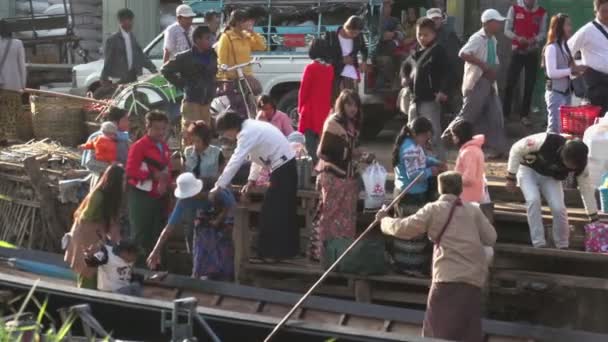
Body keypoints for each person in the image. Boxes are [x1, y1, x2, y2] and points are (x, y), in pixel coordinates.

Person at [376, 171, 497, 342]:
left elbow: (404, 228)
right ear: (460, 189)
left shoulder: (434, 209)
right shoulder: (473, 210)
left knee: (436, 331)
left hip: (447, 278)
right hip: (473, 278)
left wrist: (384, 220)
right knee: (468, 332)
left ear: (440, 189)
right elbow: (491, 237)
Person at [211, 111, 299, 262]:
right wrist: (251, 180)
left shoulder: (246, 133)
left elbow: (236, 160)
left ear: (231, 128)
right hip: (284, 166)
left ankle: (271, 254)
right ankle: (282, 253)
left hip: (283, 167)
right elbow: (256, 158)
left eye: (224, 133)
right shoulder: (251, 128)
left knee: (272, 211)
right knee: (281, 210)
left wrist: (219, 185)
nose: (225, 137)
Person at [506, 133, 599, 249]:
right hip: (527, 169)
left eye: (573, 167)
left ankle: (563, 244)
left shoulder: (582, 165)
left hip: (550, 176)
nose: (570, 168)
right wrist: (511, 176)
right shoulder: (545, 141)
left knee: (559, 207)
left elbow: (586, 189)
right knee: (533, 200)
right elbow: (516, 149)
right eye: (569, 164)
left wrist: (593, 215)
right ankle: (538, 242)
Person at [442, 9, 508, 159]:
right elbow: (463, 53)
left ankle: (497, 148)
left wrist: (494, 69)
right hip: (477, 82)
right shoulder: (477, 38)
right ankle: (444, 139)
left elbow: (494, 59)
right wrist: (483, 65)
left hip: (490, 82)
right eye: (496, 22)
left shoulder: (493, 39)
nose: (499, 25)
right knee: (467, 115)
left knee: (495, 115)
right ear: (488, 23)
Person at [148, 173, 236, 280]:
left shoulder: (215, 191)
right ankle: (200, 273)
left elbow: (230, 206)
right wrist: (155, 251)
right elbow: (169, 227)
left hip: (226, 213)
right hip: (207, 216)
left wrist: (219, 219)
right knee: (201, 234)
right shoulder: (183, 201)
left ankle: (224, 276)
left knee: (223, 242)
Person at [310, 90, 362, 261]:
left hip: (348, 178)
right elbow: (324, 151)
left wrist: (357, 155)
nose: (353, 108)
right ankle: (323, 255)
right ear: (342, 105)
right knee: (329, 216)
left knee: (347, 218)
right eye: (349, 104)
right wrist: (352, 152)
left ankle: (341, 256)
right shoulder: (333, 122)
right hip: (332, 176)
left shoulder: (352, 123)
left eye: (355, 105)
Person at [390, 117, 445, 276]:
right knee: (412, 231)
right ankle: (410, 268)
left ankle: (405, 265)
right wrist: (432, 172)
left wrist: (434, 162)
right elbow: (415, 174)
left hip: (405, 192)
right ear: (419, 134)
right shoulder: (411, 148)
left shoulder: (412, 144)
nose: (427, 140)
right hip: (411, 194)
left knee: (405, 230)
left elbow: (422, 159)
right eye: (426, 137)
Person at [64, 164, 125, 289]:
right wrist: (94, 241)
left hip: (96, 240)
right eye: (123, 180)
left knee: (94, 275)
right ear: (115, 181)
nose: (125, 183)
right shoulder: (98, 196)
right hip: (87, 239)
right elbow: (85, 219)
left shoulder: (111, 198)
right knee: (87, 272)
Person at [126, 111, 172, 263]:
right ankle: (137, 267)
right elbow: (131, 171)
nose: (161, 132)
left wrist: (166, 182)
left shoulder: (164, 147)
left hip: (159, 196)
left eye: (163, 129)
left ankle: (156, 266)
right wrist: (154, 177)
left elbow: (168, 169)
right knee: (141, 232)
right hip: (141, 195)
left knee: (157, 232)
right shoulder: (139, 146)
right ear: (148, 128)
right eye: (157, 128)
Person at [403, 17, 450, 160]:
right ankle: (415, 161)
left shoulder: (438, 51)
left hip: (430, 99)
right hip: (414, 99)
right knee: (412, 131)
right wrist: (404, 77)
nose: (422, 38)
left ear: (434, 34)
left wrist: (443, 91)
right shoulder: (414, 52)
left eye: (426, 34)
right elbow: (405, 67)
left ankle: (439, 162)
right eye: (419, 35)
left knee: (433, 132)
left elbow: (448, 73)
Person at [162, 25, 218, 138]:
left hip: (206, 101)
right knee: (190, 135)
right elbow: (165, 70)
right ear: (197, 40)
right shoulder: (185, 57)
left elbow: (213, 74)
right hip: (192, 101)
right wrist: (182, 84)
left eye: (210, 38)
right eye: (207, 38)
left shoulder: (212, 55)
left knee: (205, 136)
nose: (210, 41)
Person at [503, 0, 548, 125]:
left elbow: (543, 33)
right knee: (510, 83)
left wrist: (534, 39)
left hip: (532, 52)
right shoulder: (514, 9)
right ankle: (505, 114)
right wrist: (517, 38)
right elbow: (507, 30)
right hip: (517, 51)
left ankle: (524, 115)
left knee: (530, 85)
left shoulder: (542, 12)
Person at [216, 9, 266, 117]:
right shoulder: (226, 37)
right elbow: (221, 60)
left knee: (252, 106)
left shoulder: (246, 36)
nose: (249, 23)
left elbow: (262, 46)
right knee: (237, 109)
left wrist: (252, 32)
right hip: (233, 79)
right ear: (238, 22)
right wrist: (223, 79)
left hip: (247, 78)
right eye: (246, 21)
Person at [543, 14, 585, 134]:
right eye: (567, 25)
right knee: (554, 128)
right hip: (555, 93)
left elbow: (569, 68)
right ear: (559, 27)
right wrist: (571, 71)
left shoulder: (565, 47)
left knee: (564, 129)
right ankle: (549, 152)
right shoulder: (551, 48)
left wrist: (580, 69)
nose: (570, 28)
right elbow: (552, 73)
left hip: (566, 93)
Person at [568, 0, 608, 116]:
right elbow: (567, 50)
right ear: (596, 11)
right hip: (596, 82)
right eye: (604, 11)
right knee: (599, 119)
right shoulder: (587, 30)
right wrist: (574, 66)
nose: (607, 15)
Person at [298, 38, 334, 165]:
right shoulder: (330, 69)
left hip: (310, 109)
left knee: (310, 143)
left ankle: (313, 167)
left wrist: (299, 108)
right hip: (324, 109)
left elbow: (303, 90)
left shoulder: (311, 67)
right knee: (322, 141)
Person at [100, 9, 157, 86]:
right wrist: (104, 77)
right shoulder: (113, 40)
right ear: (121, 21)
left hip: (133, 77)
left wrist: (153, 69)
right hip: (119, 79)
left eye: (131, 20)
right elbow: (108, 60)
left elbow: (141, 56)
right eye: (128, 20)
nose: (131, 23)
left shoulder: (132, 37)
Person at [82, 107, 130, 188]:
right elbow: (90, 162)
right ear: (115, 122)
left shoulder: (124, 138)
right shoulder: (98, 137)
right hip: (102, 184)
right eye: (125, 120)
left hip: (121, 184)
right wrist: (112, 166)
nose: (128, 123)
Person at [326, 16, 368, 96]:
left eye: (357, 33)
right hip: (335, 73)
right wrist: (342, 60)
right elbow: (325, 55)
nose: (354, 35)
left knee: (352, 100)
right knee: (337, 101)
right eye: (352, 32)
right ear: (346, 27)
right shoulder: (331, 36)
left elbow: (364, 49)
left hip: (351, 75)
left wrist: (364, 61)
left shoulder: (359, 37)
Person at [0, 19, 26, 144]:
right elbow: (21, 65)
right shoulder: (17, 43)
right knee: (12, 112)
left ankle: (2, 138)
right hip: (13, 85)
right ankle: (11, 138)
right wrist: (23, 85)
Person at [451, 121, 487, 203]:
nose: (453, 138)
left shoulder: (469, 152)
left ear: (460, 136)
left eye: (454, 135)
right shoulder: (474, 149)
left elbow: (469, 179)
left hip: (468, 197)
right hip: (474, 194)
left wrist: (452, 180)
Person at [375, 0, 405, 90]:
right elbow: (374, 36)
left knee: (405, 57)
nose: (388, 8)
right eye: (385, 6)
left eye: (389, 6)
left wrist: (394, 34)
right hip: (378, 54)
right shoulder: (374, 21)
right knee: (386, 61)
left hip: (393, 52)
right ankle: (393, 83)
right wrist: (381, 36)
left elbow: (403, 34)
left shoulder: (394, 20)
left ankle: (402, 84)